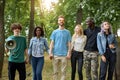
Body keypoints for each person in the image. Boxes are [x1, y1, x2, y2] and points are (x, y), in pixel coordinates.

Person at [49, 15, 71, 80]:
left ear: (64, 22)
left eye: (62, 20)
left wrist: (69, 53)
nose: (61, 21)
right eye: (60, 20)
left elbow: (69, 43)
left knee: (63, 72)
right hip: (55, 54)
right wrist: (50, 53)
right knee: (55, 72)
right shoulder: (54, 32)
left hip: (64, 55)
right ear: (58, 22)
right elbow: (52, 43)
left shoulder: (67, 32)